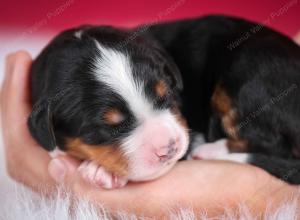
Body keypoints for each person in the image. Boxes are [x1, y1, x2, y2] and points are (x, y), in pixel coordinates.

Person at [1, 50, 299, 218]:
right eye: (113, 128)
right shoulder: (58, 105)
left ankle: (256, 145)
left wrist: (271, 195)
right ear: (47, 128)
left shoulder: (149, 57)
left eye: (165, 101)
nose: (168, 144)